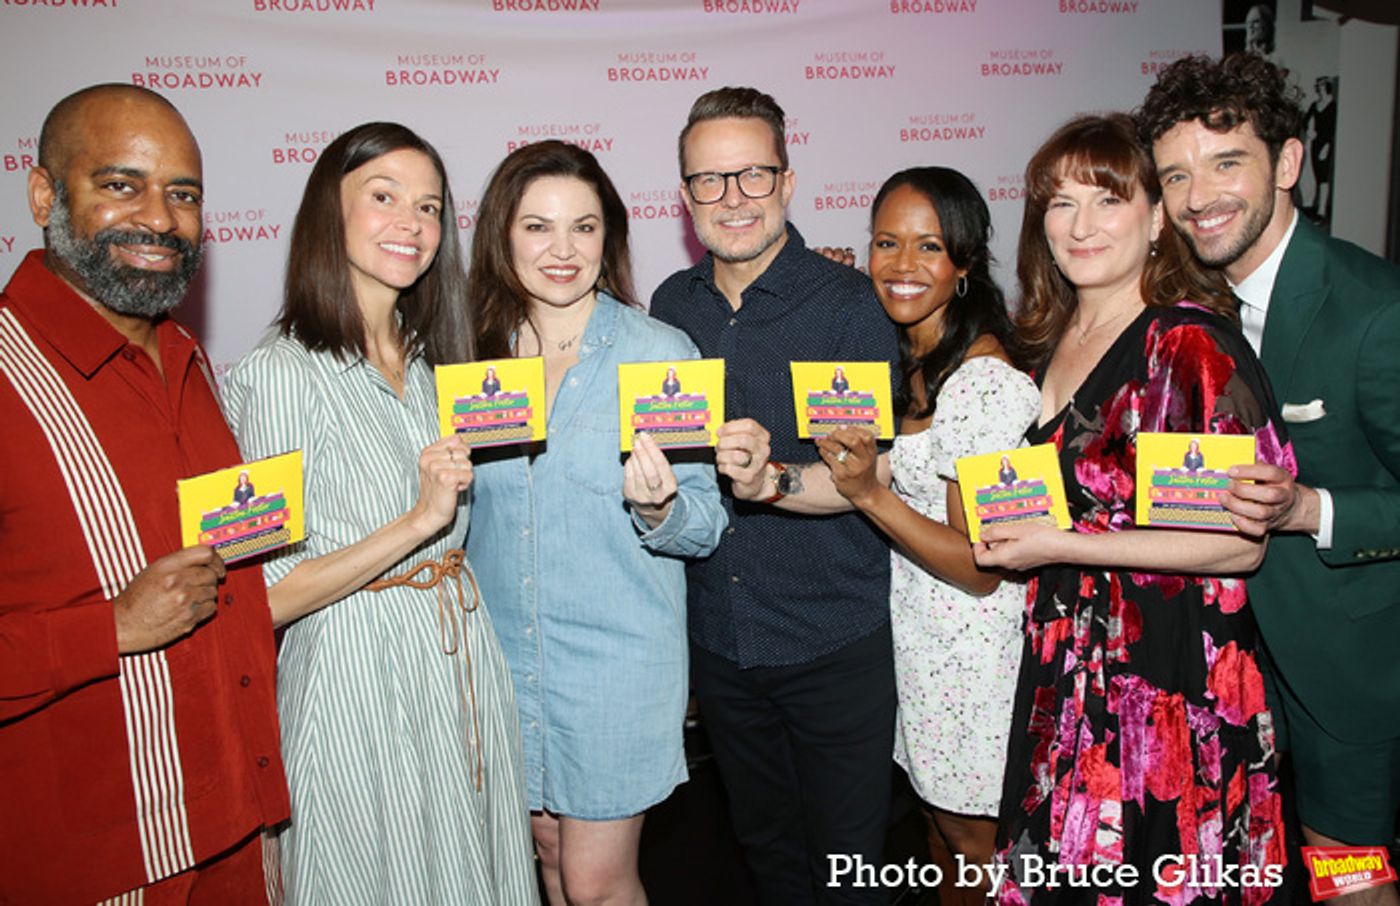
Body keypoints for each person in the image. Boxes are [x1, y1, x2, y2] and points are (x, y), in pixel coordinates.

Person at [973, 114, 1293, 902]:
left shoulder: (1186, 346)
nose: (1080, 226)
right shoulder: (1051, 338)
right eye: (1059, 204)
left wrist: (1062, 543)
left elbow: (1237, 546)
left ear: (1155, 220)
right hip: (1069, 670)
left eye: (1107, 202)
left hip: (1168, 685)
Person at [223, 122, 538, 905]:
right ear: (329, 212)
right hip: (352, 680)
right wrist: (417, 521)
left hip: (457, 659)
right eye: (384, 197)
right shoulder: (276, 375)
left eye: (429, 207)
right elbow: (259, 599)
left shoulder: (442, 367)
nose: (412, 223)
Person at [0, 83, 288, 903]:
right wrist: (110, 629)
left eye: (184, 194)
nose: (160, 219)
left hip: (240, 831)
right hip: (98, 863)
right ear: (45, 195)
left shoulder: (190, 360)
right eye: (121, 185)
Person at [731, 166, 1039, 906]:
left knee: (979, 853)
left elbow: (981, 564)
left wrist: (868, 491)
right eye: (885, 243)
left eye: (929, 246)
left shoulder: (986, 382)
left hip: (976, 658)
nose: (903, 265)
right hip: (924, 649)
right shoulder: (911, 361)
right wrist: (766, 478)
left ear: (964, 263)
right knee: (940, 837)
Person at [1142, 53, 1400, 900]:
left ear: (1287, 163)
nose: (1198, 196)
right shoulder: (1194, 300)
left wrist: (1310, 509)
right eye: (1175, 175)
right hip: (1233, 662)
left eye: (1226, 163)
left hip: (1347, 671)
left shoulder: (1373, 310)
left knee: (1347, 876)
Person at [649, 86, 900, 905]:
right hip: (720, 643)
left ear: (788, 182)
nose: (733, 200)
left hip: (832, 640)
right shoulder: (670, 310)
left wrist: (772, 482)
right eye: (710, 182)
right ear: (684, 198)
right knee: (769, 863)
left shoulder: (846, 308)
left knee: (850, 875)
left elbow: (866, 478)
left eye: (753, 176)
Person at [465, 140, 725, 906]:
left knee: (596, 880)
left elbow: (705, 522)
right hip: (506, 663)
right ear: (502, 237)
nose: (562, 250)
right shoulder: (471, 359)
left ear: (608, 236)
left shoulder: (658, 354)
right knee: (546, 851)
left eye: (584, 227)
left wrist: (660, 506)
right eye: (538, 227)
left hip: (617, 667)